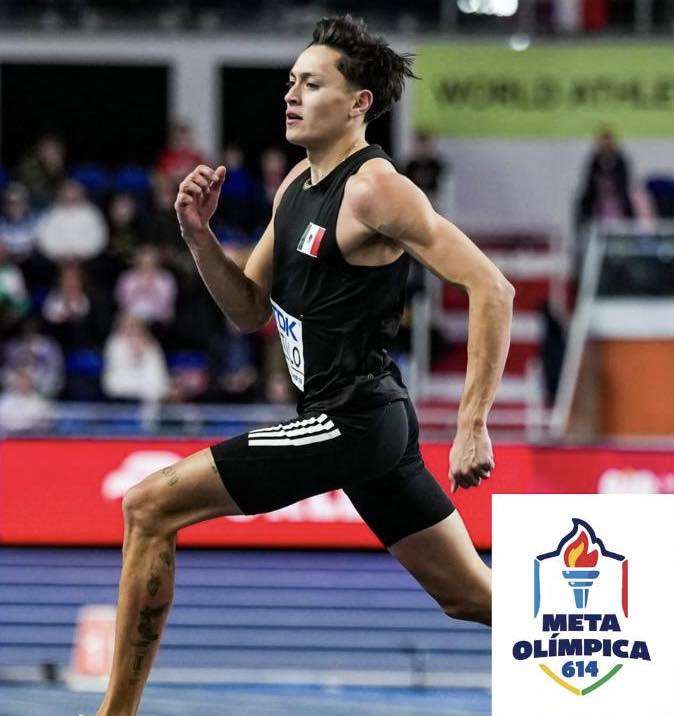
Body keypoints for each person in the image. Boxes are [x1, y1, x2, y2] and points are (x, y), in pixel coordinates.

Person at [95, 16, 513, 716]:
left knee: (148, 506)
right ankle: (640, 641)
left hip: (356, 420)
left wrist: (473, 423)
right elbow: (248, 309)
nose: (291, 95)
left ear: (358, 103)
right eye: (291, 81)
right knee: (470, 597)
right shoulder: (295, 183)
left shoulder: (376, 189)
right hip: (362, 425)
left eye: (312, 84)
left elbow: (492, 288)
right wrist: (198, 236)